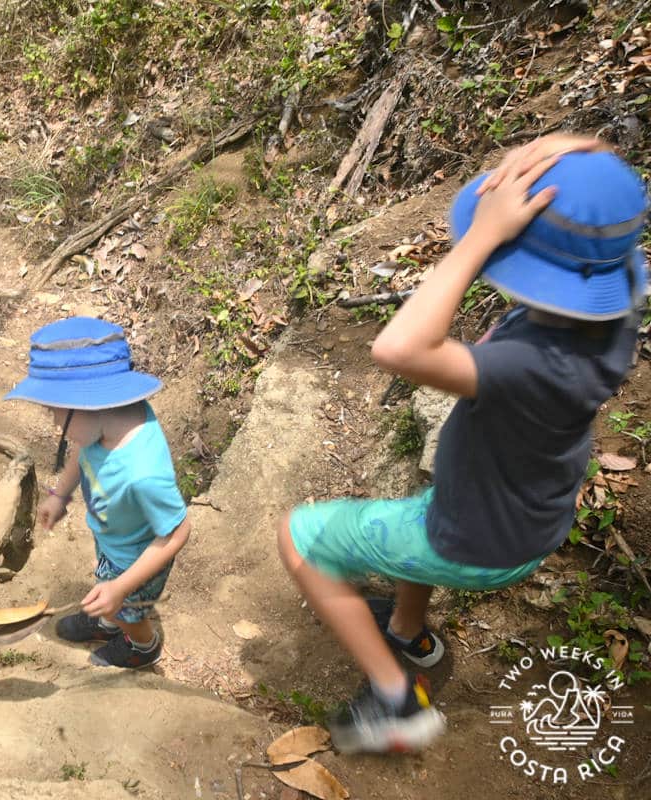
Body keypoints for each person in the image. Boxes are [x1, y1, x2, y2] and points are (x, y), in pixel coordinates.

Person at [277, 133, 646, 753]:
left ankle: (396, 702)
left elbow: (397, 349)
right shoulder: (619, 307)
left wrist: (480, 238)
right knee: (421, 506)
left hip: (475, 540)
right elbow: (600, 197)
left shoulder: (531, 364)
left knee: (298, 538)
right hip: (526, 512)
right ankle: (408, 631)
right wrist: (573, 149)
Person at [5, 317, 191, 669]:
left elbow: (177, 531)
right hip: (113, 537)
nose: (55, 424)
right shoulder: (100, 425)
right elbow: (82, 449)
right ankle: (108, 622)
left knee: (129, 610)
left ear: (91, 404)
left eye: (56, 412)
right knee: (107, 587)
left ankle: (142, 644)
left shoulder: (142, 472)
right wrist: (60, 494)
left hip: (138, 558)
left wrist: (122, 588)